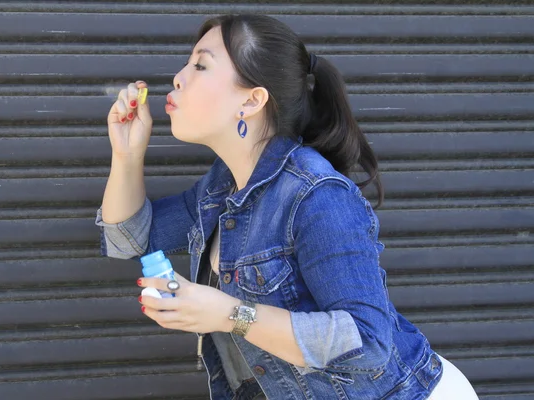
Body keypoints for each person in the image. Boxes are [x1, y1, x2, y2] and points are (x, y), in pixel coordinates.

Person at [95, 14, 479, 400]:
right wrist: (127, 155)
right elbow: (130, 240)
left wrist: (231, 314)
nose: (178, 77)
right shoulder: (220, 187)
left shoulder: (316, 194)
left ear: (252, 100)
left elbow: (368, 342)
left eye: (200, 65)